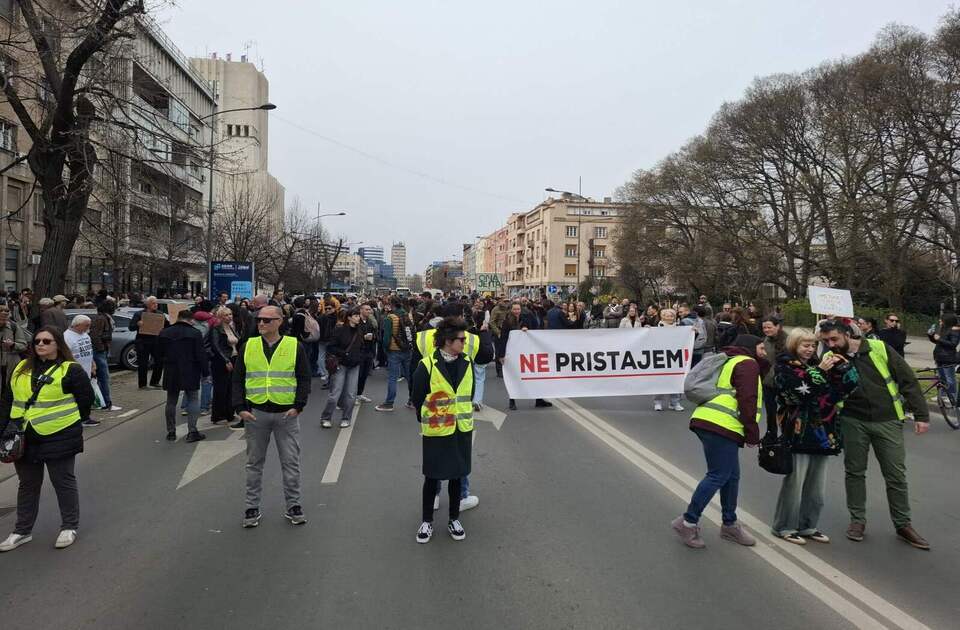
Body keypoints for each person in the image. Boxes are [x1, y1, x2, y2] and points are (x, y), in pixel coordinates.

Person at [819, 320, 931, 550]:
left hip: (887, 419)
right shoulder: (830, 359)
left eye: (834, 339)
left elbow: (907, 379)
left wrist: (921, 415)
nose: (831, 345)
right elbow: (824, 393)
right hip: (852, 420)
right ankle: (857, 520)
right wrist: (824, 372)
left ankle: (903, 524)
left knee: (896, 475)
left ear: (847, 335)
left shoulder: (877, 348)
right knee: (855, 472)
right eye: (826, 341)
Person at [0, 326, 94, 552]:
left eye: (46, 341)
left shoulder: (70, 370)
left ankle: (69, 526)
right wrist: (3, 430)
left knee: (63, 482)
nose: (40, 344)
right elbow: (8, 399)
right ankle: (22, 531)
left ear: (57, 344)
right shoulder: (22, 366)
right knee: (28, 485)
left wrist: (70, 423)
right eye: (37, 341)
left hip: (59, 435)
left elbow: (85, 401)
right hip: (23, 436)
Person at [672, 334, 766, 549]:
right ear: (750, 348)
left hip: (709, 419)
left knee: (731, 476)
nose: (764, 352)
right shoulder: (748, 363)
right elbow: (747, 399)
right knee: (718, 475)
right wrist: (752, 434)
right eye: (761, 348)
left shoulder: (730, 360)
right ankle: (688, 522)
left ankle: (729, 524)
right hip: (722, 424)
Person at [771, 328, 859, 544]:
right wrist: (820, 371)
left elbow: (842, 390)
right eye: (805, 345)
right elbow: (800, 394)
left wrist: (844, 367)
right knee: (795, 483)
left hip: (823, 433)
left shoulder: (818, 363)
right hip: (799, 432)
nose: (810, 349)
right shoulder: (784, 367)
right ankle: (784, 526)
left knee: (816, 486)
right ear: (794, 345)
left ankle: (808, 525)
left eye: (813, 345)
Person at [232, 305, 312, 528]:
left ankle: (294, 505)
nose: (261, 324)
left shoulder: (293, 345)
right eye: (259, 320)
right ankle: (251, 507)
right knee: (254, 464)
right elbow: (238, 379)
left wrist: (299, 405)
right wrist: (239, 407)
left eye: (267, 320)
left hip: (286, 414)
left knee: (291, 463)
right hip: (256, 414)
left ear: (279, 322)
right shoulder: (249, 346)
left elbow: (304, 377)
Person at [411, 317, 484, 543]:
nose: (464, 343)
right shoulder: (427, 365)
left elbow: (468, 393)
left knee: (456, 475)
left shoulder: (467, 362)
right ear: (447, 341)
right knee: (432, 476)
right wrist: (428, 420)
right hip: (437, 430)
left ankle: (454, 519)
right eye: (461, 340)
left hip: (461, 428)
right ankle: (426, 522)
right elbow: (417, 396)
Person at [158, 309, 209, 443]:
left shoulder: (164, 332)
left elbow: (158, 354)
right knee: (192, 398)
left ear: (178, 318)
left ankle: (171, 431)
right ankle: (192, 431)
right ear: (190, 319)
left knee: (171, 400)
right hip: (190, 369)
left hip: (171, 369)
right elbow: (200, 354)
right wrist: (205, 372)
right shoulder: (195, 333)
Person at [498, 302, 551, 411]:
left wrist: (527, 330)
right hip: (513, 353)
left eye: (518, 309)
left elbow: (536, 330)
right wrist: (501, 355)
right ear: (511, 310)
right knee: (513, 377)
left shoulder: (526, 318)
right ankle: (512, 401)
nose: (516, 311)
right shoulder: (507, 322)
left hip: (527, 352)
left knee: (534, 375)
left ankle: (539, 399)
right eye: (514, 309)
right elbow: (503, 338)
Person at [320, 308, 364, 428]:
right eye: (355, 316)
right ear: (349, 317)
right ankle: (326, 417)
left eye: (358, 316)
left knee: (351, 394)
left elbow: (362, 347)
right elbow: (331, 347)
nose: (358, 318)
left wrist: (359, 358)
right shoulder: (340, 330)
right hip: (341, 364)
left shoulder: (360, 331)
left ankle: (346, 418)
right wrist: (343, 354)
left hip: (354, 365)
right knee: (335, 393)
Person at [375, 297, 414, 412]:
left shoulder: (389, 318)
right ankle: (413, 400)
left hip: (394, 350)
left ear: (391, 305)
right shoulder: (408, 315)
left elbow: (386, 338)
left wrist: (385, 349)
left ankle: (389, 403)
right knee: (409, 377)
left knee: (393, 377)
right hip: (407, 350)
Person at [63, 315, 100, 428]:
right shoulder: (67, 337)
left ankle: (84, 417)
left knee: (87, 395)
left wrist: (93, 364)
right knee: (82, 396)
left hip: (87, 370)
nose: (88, 327)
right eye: (86, 325)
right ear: (77, 325)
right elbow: (66, 354)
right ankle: (83, 418)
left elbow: (89, 350)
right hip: (76, 372)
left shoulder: (85, 334)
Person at [210, 306, 240, 426]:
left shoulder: (232, 327)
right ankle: (217, 415)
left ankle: (229, 413)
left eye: (230, 314)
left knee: (231, 388)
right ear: (220, 317)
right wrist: (225, 361)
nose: (229, 317)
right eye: (226, 315)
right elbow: (216, 346)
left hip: (234, 358)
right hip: (222, 362)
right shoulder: (216, 328)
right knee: (221, 389)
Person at [128, 296, 166, 389]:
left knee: (159, 361)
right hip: (142, 342)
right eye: (153, 303)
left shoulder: (160, 314)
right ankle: (142, 384)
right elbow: (131, 327)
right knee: (143, 363)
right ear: (147, 304)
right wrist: (138, 324)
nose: (156, 305)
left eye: (156, 303)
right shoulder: (139, 314)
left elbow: (166, 326)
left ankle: (155, 381)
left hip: (156, 342)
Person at [89, 300, 120, 412]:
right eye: (113, 307)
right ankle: (106, 403)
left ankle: (103, 401)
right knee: (104, 377)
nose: (114, 309)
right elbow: (95, 335)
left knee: (102, 377)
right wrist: (101, 349)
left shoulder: (104, 318)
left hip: (101, 350)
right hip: (99, 351)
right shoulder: (101, 319)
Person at [653, 309, 684, 412]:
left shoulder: (679, 328)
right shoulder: (657, 327)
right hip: (661, 358)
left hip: (675, 358)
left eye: (672, 316)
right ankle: (658, 402)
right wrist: (647, 330)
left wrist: (693, 332)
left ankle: (675, 402)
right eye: (667, 316)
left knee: (675, 381)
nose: (670, 318)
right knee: (660, 381)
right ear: (662, 317)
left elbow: (686, 338)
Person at [927, 313, 960, 404]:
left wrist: (939, 339)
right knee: (941, 378)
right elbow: (937, 341)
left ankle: (952, 395)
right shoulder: (944, 329)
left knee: (950, 378)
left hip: (948, 358)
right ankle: (942, 395)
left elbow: (953, 344)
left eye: (941, 320)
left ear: (947, 321)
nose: (939, 321)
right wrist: (931, 335)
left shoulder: (955, 331)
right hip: (939, 357)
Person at [760, 316, 787, 424]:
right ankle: (771, 433)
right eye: (764, 328)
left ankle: (786, 434)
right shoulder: (764, 341)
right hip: (767, 381)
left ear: (778, 326)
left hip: (783, 381)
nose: (766, 330)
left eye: (769, 327)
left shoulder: (788, 341)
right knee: (770, 410)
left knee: (785, 410)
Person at [0, 304, 29, 395]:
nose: (3, 320)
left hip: (11, 363)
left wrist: (13, 345)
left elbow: (23, 345)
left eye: (5, 317)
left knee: (10, 387)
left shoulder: (14, 327)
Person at [355, 302, 378, 404]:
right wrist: (363, 337)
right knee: (357, 375)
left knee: (364, 375)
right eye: (366, 309)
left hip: (369, 351)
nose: (369, 311)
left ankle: (359, 394)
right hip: (359, 352)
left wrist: (373, 337)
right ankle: (353, 395)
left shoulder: (370, 321)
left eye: (370, 309)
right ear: (361, 310)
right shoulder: (357, 321)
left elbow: (377, 334)